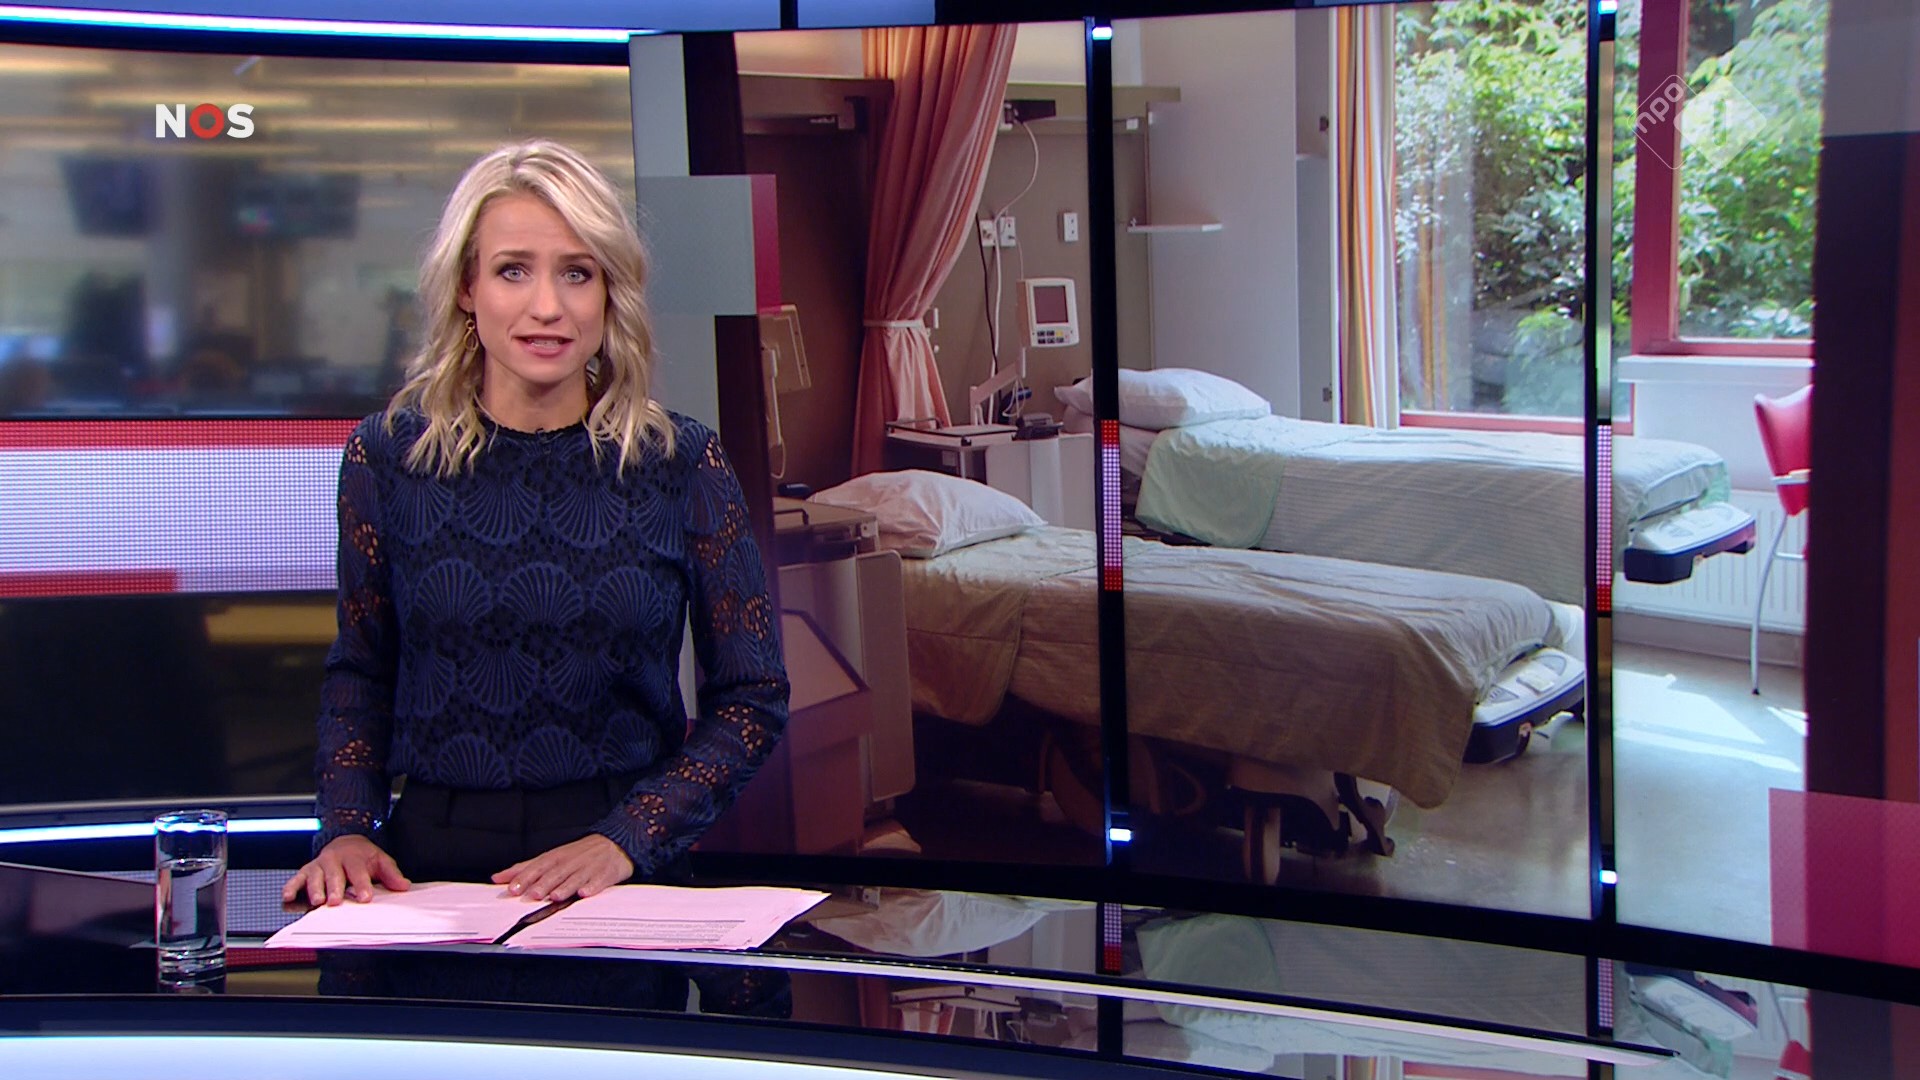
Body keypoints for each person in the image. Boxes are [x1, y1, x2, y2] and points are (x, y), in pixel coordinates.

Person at [281, 140, 790, 966]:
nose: (547, 306)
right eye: (513, 270)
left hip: (619, 865)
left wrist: (627, 838)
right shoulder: (387, 457)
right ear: (466, 289)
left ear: (609, 292)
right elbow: (361, 672)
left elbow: (752, 698)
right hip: (428, 866)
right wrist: (345, 827)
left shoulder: (679, 462)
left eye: (577, 273)